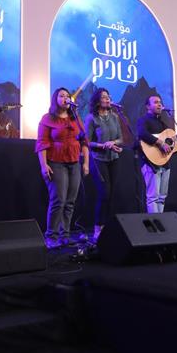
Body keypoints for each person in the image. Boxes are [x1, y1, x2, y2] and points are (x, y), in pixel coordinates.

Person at [36, 88, 89, 248]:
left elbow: (84, 141)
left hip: (74, 163)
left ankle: (65, 235)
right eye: (62, 96)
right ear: (55, 99)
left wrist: (86, 163)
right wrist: (44, 165)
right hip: (56, 162)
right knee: (59, 200)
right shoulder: (48, 118)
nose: (65, 98)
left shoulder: (75, 118)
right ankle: (51, 236)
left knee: (70, 201)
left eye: (67, 96)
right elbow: (42, 143)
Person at [84, 88, 124, 243]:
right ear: (97, 100)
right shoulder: (91, 118)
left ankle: (108, 227)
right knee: (104, 193)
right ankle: (98, 227)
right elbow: (87, 141)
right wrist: (103, 145)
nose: (108, 99)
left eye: (109, 97)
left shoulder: (114, 117)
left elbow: (120, 139)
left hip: (114, 158)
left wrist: (113, 143)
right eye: (104, 97)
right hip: (98, 159)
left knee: (112, 194)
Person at [135, 95, 177, 213]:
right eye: (155, 102)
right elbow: (142, 133)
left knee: (162, 197)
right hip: (149, 162)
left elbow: (175, 143)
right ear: (148, 106)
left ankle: (160, 220)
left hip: (164, 163)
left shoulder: (163, 124)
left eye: (160, 102)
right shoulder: (143, 120)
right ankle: (155, 221)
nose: (159, 104)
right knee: (153, 196)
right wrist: (160, 143)